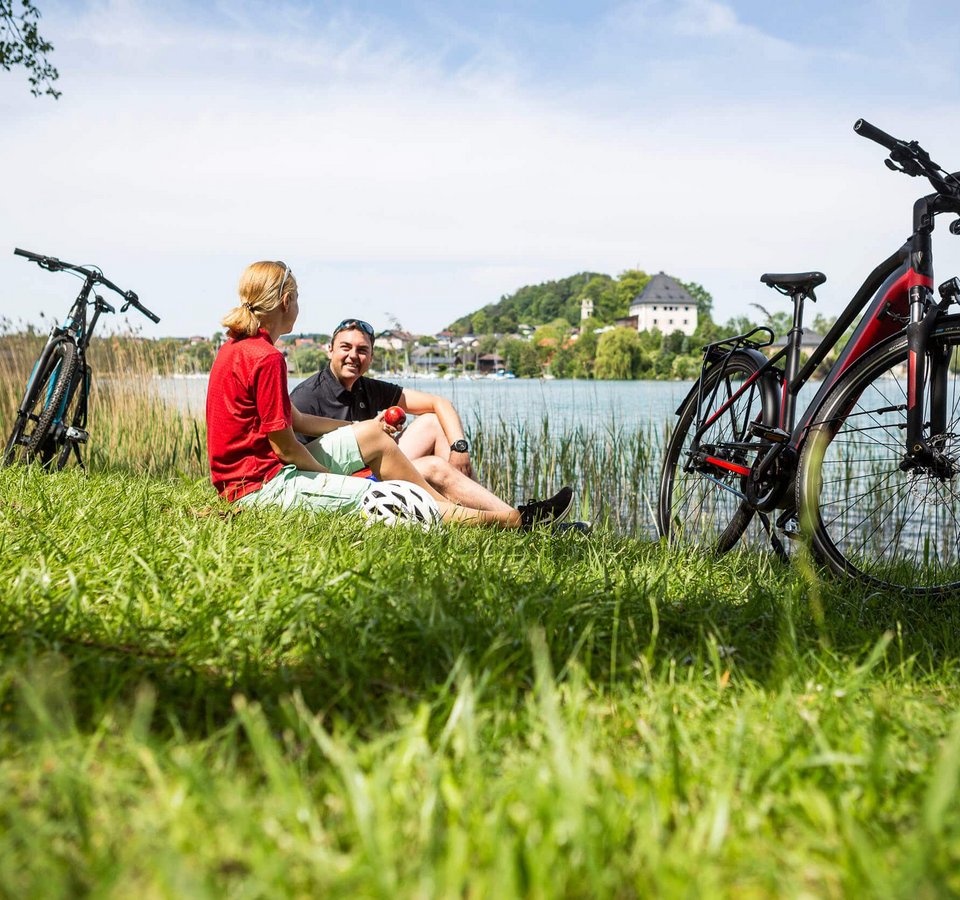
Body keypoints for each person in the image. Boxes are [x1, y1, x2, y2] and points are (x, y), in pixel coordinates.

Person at [206, 261, 572, 530]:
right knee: (400, 497)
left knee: (374, 435)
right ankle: (513, 522)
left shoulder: (236, 348)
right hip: (258, 488)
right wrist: (337, 480)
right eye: (297, 299)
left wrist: (361, 430)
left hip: (255, 478)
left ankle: (469, 515)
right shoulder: (266, 358)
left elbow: (296, 421)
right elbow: (286, 447)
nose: (299, 307)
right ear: (286, 301)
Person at [290, 318, 559, 517]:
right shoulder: (307, 397)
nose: (353, 356)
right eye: (345, 347)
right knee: (433, 467)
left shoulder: (366, 387)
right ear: (330, 350)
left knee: (433, 421)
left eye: (362, 350)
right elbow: (295, 461)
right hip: (343, 481)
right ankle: (515, 520)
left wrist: (459, 448)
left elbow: (438, 403)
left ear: (371, 356)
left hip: (373, 467)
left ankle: (483, 515)